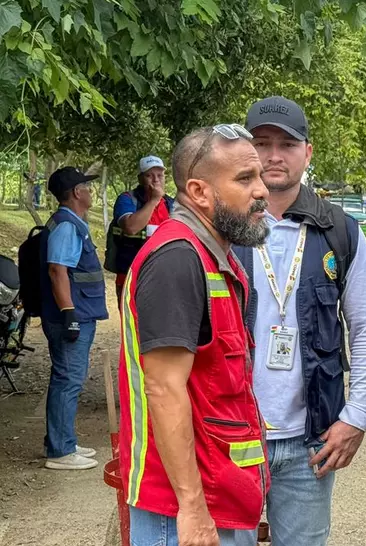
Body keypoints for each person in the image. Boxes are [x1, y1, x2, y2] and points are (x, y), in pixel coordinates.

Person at [235, 95, 366, 545]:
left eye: (288, 143)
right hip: (231, 436)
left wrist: (356, 418)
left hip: (309, 442)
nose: (274, 155)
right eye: (261, 143)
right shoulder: (222, 225)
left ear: (308, 152)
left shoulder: (339, 231)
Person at [117, 125, 270, 546]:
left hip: (215, 493)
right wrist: (192, 508)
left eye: (258, 176)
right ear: (200, 192)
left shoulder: (210, 253)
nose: (262, 191)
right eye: (244, 179)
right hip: (183, 510)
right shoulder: (178, 259)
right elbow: (164, 389)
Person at [39, 167, 109, 471]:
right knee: (68, 379)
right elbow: (58, 270)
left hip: (77, 311)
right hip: (71, 314)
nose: (90, 192)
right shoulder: (67, 226)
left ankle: (62, 440)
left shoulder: (72, 223)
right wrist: (69, 313)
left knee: (69, 378)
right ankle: (60, 451)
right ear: (77, 192)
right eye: (87, 187)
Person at [108, 156, 174, 304]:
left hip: (163, 276)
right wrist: (154, 200)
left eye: (160, 175)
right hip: (132, 275)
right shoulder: (127, 199)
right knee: (134, 324)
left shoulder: (171, 204)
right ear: (140, 179)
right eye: (149, 175)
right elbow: (131, 227)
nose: (156, 180)